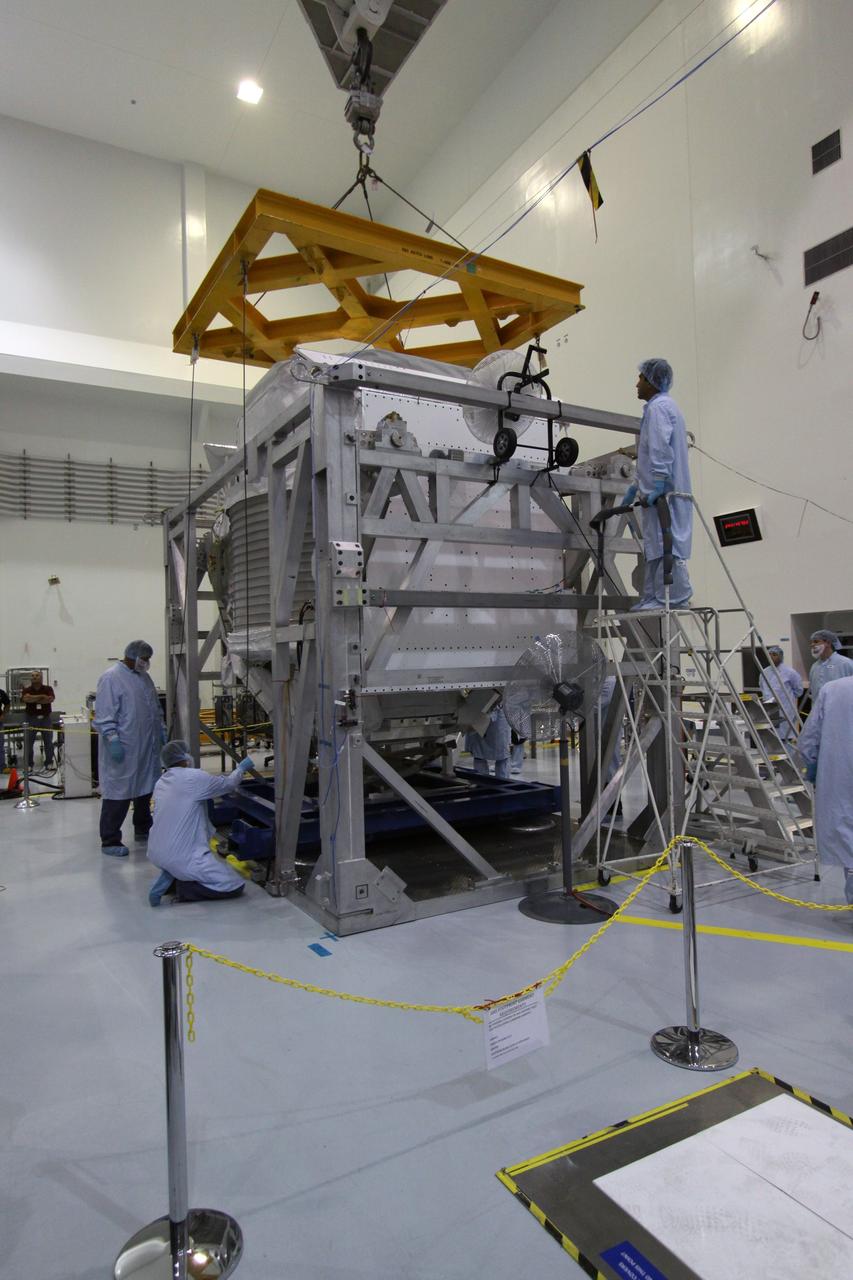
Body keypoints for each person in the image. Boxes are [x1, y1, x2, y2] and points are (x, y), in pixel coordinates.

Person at [147, 739, 253, 905]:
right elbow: (228, 784)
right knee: (234, 884)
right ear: (182, 758)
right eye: (186, 752)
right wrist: (241, 769)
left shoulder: (161, 782)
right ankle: (183, 888)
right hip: (183, 856)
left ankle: (171, 875)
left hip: (156, 850)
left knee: (184, 863)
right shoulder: (193, 778)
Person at [623, 358, 693, 610]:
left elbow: (660, 449)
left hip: (665, 495)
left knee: (666, 544)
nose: (637, 384)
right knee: (655, 544)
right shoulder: (659, 408)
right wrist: (636, 486)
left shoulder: (659, 408)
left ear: (652, 381)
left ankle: (673, 596)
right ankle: (655, 596)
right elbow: (649, 455)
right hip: (655, 493)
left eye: (641, 378)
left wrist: (661, 484)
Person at [93, 640, 165, 857]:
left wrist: (161, 729)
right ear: (131, 656)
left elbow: (154, 708)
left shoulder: (144, 678)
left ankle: (143, 828)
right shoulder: (111, 677)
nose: (146, 663)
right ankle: (110, 839)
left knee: (145, 788)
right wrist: (112, 739)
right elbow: (105, 714)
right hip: (124, 747)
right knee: (119, 792)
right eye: (144, 659)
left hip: (146, 746)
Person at [797, 675, 853, 906]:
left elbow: (807, 741)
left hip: (840, 777)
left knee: (849, 843)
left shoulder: (833, 689)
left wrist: (813, 767)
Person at [758, 645, 803, 742]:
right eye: (769, 655)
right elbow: (762, 687)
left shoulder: (790, 672)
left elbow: (798, 690)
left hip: (785, 709)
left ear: (780, 656)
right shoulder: (764, 672)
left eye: (774, 655)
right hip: (769, 707)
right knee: (771, 736)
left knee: (785, 735)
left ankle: (788, 756)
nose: (771, 657)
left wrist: (786, 700)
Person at [464, 704, 511, 779]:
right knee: (479, 753)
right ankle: (481, 784)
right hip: (477, 711)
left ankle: (502, 783)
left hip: (498, 711)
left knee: (502, 755)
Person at [21, 670, 56, 769]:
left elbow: (50, 699)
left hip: (46, 719)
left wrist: (32, 698)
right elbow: (26, 699)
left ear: (41, 678)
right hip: (31, 718)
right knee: (28, 743)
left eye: (37, 675)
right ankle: (29, 764)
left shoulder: (48, 688)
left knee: (48, 742)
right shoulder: (26, 689)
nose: (34, 677)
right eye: (32, 676)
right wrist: (41, 696)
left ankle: (49, 762)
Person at [808, 629, 853, 701]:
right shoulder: (815, 666)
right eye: (812, 642)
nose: (812, 645)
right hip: (818, 708)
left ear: (828, 643)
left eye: (816, 642)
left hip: (841, 708)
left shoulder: (845, 663)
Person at [0, 685, 9, 772]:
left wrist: (3, 714)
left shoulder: (1, 692)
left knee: (0, 744)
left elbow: (7, 704)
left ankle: (2, 766)